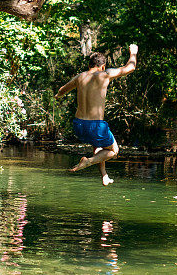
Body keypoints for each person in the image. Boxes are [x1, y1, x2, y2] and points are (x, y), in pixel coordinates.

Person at [54, 44, 138, 185]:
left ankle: (104, 176)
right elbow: (131, 68)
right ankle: (89, 161)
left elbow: (61, 91)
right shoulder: (105, 74)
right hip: (96, 125)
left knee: (98, 146)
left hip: (78, 126)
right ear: (103, 66)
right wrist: (133, 53)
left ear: (89, 65)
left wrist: (58, 96)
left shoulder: (80, 77)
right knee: (113, 151)